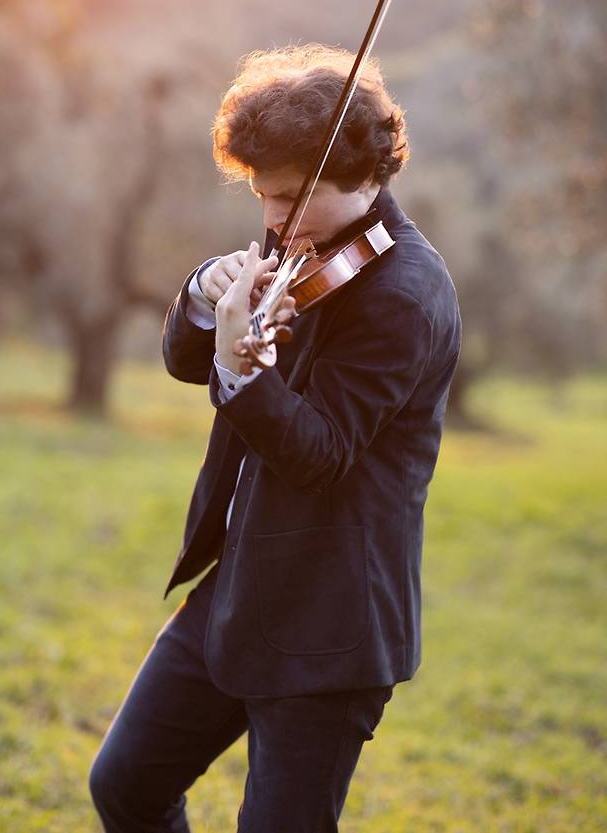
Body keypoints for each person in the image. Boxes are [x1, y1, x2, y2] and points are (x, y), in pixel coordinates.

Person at [89, 43, 462, 832]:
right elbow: (188, 362)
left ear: (361, 176)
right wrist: (202, 294)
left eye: (288, 198)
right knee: (126, 784)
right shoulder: (297, 244)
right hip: (239, 587)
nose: (269, 221)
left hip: (329, 625)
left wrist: (244, 372)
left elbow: (320, 452)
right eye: (261, 196)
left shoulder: (406, 295)